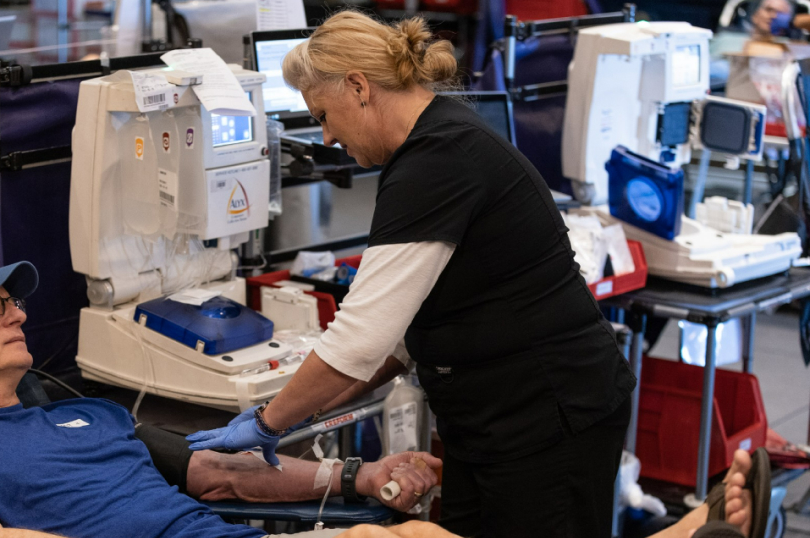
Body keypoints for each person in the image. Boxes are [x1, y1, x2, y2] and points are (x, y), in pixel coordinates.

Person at [185, 10, 637, 538]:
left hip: (546, 417)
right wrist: (296, 411)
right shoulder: (436, 142)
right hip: (495, 420)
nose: (327, 136)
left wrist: (268, 423)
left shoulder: (439, 159)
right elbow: (397, 336)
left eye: (324, 115)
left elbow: (359, 339)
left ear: (358, 87)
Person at [0, 257, 442, 538]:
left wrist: (357, 476)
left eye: (14, 303)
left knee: (418, 535)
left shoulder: (88, 413)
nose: (19, 313)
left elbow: (224, 475)